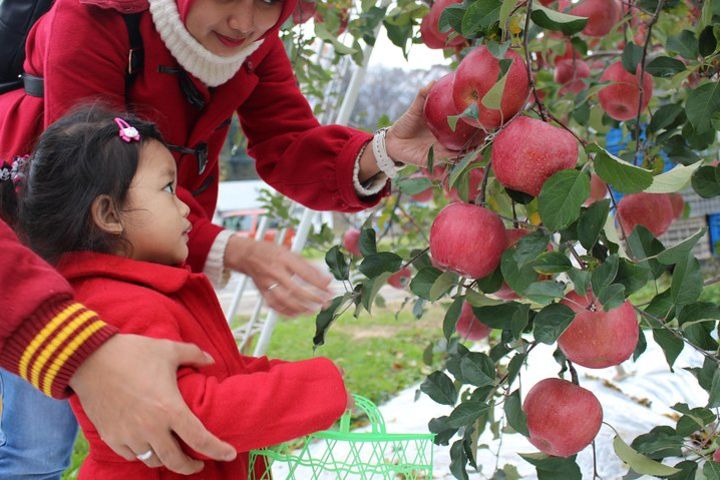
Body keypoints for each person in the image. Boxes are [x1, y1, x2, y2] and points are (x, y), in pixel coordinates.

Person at [0, 0, 454, 475]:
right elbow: (86, 174)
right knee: (39, 445)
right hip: (46, 255)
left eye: (266, 1)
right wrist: (320, 387)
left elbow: (288, 143)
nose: (245, 22)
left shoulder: (254, 44)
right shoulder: (97, 14)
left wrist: (383, 153)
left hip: (162, 249)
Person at [2, 105, 351, 478]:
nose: (186, 206)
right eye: (168, 188)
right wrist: (316, 388)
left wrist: (277, 376)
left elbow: (213, 373)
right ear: (108, 215)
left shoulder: (150, 290)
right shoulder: (117, 303)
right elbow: (189, 415)